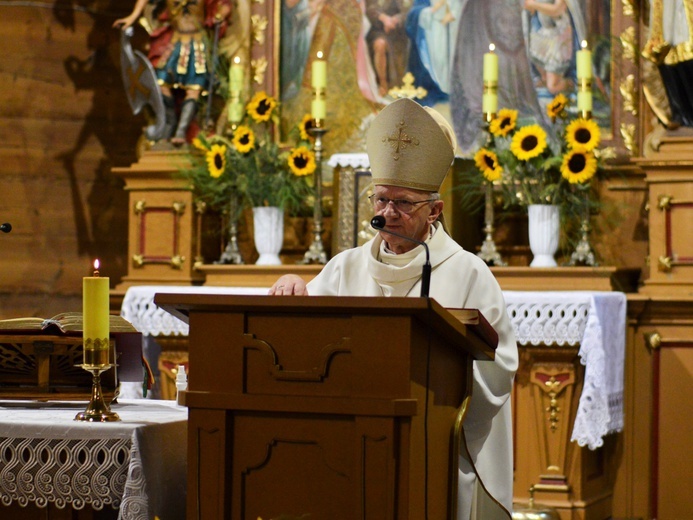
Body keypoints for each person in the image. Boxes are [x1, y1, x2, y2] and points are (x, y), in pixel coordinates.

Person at [269, 98, 518, 519]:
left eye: (402, 203)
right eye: (380, 200)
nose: (387, 214)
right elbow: (307, 335)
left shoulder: (469, 273)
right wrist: (294, 287)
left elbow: (500, 367)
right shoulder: (345, 267)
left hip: (433, 450)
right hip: (351, 445)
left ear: (434, 210)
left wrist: (437, 400)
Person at [113, 0, 232, 145]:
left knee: (194, 87)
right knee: (161, 82)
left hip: (197, 42)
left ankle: (182, 130)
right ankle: (170, 122)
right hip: (176, 41)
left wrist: (221, 14)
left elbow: (223, 4)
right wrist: (133, 16)